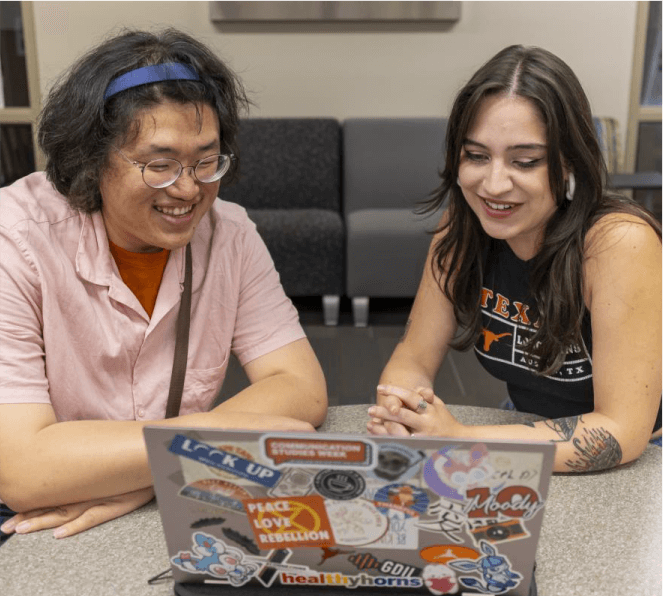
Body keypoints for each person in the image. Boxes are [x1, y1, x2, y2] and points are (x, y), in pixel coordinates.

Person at [0, 28, 327, 542]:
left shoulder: (230, 233)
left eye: (205, 160)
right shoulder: (15, 240)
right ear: (91, 158)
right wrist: (206, 440)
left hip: (141, 502)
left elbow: (301, 389)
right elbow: (22, 470)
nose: (188, 189)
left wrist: (151, 470)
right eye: (159, 165)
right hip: (42, 520)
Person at [367, 45, 662, 472]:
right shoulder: (461, 228)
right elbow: (413, 356)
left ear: (568, 164)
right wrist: (401, 409)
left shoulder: (619, 244)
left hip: (640, 457)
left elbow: (621, 432)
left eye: (525, 161)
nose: (493, 184)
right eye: (476, 156)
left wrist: (460, 440)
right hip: (528, 425)